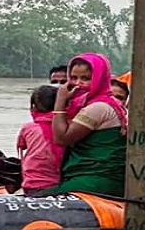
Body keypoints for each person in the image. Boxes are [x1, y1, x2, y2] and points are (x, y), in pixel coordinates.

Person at [48, 53, 128, 196]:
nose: (78, 83)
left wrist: (60, 100)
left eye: (85, 78)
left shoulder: (98, 107)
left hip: (95, 180)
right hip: (92, 177)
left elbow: (61, 138)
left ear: (99, 79)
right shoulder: (94, 104)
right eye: (73, 78)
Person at [17, 85, 64, 195]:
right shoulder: (67, 126)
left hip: (32, 183)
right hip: (60, 184)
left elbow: (22, 146)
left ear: (33, 108)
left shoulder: (27, 128)